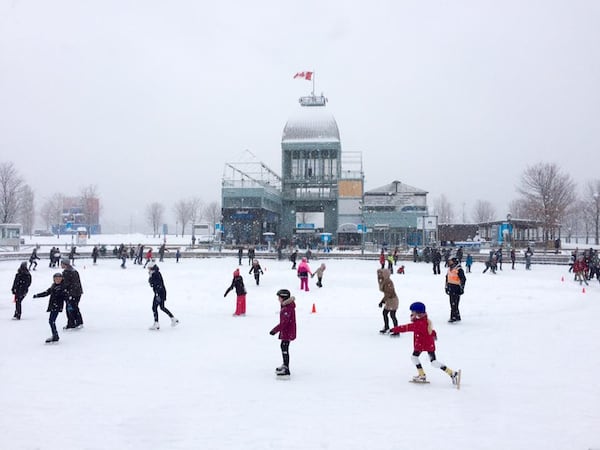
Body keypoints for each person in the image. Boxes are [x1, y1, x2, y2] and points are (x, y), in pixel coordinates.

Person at [390, 302, 459, 385]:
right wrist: (433, 334)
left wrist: (393, 329)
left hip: (423, 345)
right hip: (424, 344)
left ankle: (452, 373)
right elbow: (430, 330)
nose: (411, 313)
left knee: (432, 362)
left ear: (418, 312)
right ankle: (422, 375)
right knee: (416, 358)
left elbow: (406, 328)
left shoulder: (419, 323)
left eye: (413, 311)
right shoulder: (423, 320)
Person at [33, 272, 67, 343]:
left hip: (57, 306)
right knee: (51, 321)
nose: (57, 280)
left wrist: (69, 303)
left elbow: (65, 296)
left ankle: (55, 336)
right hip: (53, 305)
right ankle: (55, 335)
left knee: (51, 321)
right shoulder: (53, 286)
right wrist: (38, 295)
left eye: (59, 278)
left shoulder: (62, 287)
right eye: (56, 278)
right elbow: (47, 292)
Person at [269, 289, 297, 377]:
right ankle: (285, 365)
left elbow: (284, 323)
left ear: (284, 298)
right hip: (287, 331)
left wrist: (274, 330)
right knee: (283, 346)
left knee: (284, 347)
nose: (278, 299)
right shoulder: (286, 306)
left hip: (287, 331)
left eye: (279, 297)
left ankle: (286, 368)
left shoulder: (287, 308)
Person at [147, 262, 179, 330]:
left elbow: (156, 284)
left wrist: (157, 294)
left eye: (149, 268)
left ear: (152, 268)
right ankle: (173, 319)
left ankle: (156, 323)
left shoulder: (155, 274)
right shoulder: (156, 273)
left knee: (154, 308)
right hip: (162, 293)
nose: (148, 270)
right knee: (162, 307)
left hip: (159, 293)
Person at [61, 259, 84, 329]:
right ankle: (76, 322)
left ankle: (74, 323)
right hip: (76, 293)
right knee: (73, 308)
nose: (60, 265)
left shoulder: (68, 272)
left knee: (71, 308)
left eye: (61, 264)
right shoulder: (72, 271)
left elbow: (68, 284)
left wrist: (67, 292)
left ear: (65, 264)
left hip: (72, 294)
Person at [377, 268, 399, 334]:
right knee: (385, 313)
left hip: (392, 300)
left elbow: (389, 293)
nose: (379, 275)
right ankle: (386, 327)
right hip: (388, 300)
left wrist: (382, 301)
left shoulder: (388, 282)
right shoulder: (384, 281)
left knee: (392, 315)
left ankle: (396, 330)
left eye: (381, 273)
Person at [445, 257, 466, 323]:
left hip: (456, 288)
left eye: (451, 261)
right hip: (450, 287)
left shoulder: (459, 269)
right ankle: (457, 316)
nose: (449, 262)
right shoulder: (450, 269)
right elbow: (447, 278)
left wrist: (461, 287)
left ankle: (453, 317)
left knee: (454, 303)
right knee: (453, 303)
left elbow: (463, 279)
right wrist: (446, 286)